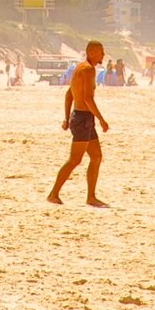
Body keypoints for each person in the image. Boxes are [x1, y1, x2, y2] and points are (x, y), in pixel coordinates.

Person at [48, 40, 110, 207]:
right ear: (91, 52)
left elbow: (69, 94)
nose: (103, 55)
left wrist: (67, 118)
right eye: (100, 52)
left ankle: (91, 197)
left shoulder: (79, 68)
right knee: (75, 160)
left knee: (96, 157)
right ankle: (53, 194)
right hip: (83, 119)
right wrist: (102, 120)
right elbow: (87, 99)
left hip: (81, 118)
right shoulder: (88, 70)